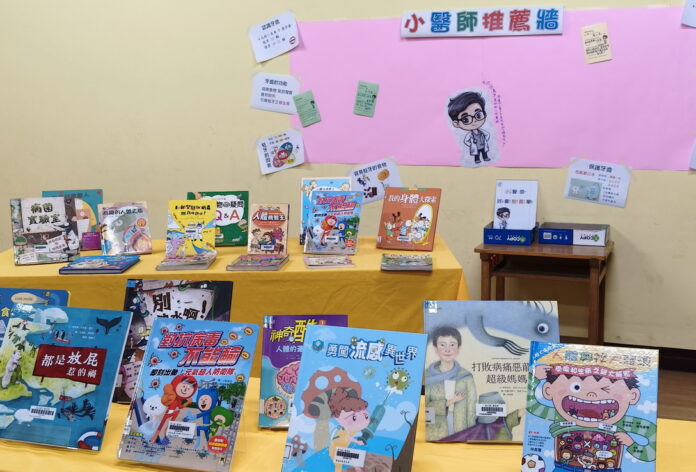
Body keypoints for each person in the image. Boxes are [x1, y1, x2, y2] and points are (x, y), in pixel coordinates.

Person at [527, 364, 656, 472]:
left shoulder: (623, 422)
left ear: (633, 396)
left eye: (606, 389)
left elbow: (651, 450)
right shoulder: (559, 414)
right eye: (576, 387)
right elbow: (532, 406)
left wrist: (631, 443)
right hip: (565, 467)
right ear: (548, 390)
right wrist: (533, 377)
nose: (591, 394)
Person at [424, 326, 476, 441]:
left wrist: (471, 434)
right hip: (435, 428)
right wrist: (450, 402)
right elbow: (425, 408)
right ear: (435, 348)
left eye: (452, 344)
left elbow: (471, 410)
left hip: (460, 426)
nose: (447, 350)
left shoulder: (466, 376)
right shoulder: (427, 376)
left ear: (458, 348)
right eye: (442, 345)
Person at [328, 388, 370, 472]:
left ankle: (356, 467)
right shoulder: (345, 430)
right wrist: (357, 442)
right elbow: (348, 437)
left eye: (365, 415)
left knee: (351, 456)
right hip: (335, 450)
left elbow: (357, 429)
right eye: (354, 418)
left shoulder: (351, 429)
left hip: (344, 449)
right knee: (339, 464)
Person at [448, 91, 491, 164]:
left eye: (478, 115)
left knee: (484, 152)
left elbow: (487, 136)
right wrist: (472, 144)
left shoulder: (483, 132)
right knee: (477, 154)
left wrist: (484, 141)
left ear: (484, 114)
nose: (474, 120)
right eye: (466, 119)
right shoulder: (470, 136)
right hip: (476, 147)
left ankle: (485, 157)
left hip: (483, 145)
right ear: (456, 124)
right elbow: (466, 141)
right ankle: (477, 160)